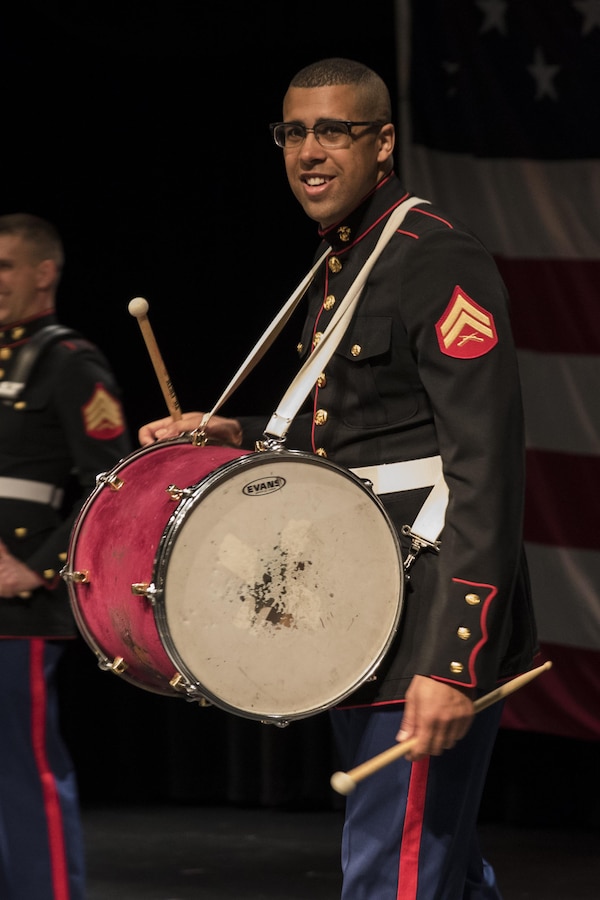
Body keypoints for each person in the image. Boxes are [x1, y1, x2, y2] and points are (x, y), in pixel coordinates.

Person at [139, 58, 538, 900]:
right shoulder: (343, 262)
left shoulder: (435, 258)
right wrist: (233, 433)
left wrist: (453, 660)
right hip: (365, 615)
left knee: (393, 877)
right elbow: (353, 449)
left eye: (334, 131)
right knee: (441, 876)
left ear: (383, 142)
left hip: (425, 621)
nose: (308, 151)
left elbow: (487, 470)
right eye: (294, 132)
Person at [0, 212, 132, 899]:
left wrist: (38, 565)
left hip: (17, 611)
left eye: (4, 267)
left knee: (24, 775)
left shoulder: (69, 362)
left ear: (44, 273)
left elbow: (112, 488)